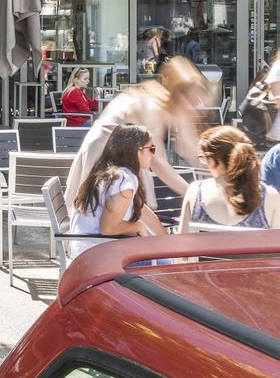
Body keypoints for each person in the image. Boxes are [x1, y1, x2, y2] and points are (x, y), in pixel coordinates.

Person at [65, 57, 209, 209]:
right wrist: (196, 199)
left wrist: (221, 174)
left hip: (120, 167)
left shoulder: (165, 102)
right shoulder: (150, 107)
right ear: (180, 96)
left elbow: (189, 147)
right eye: (194, 100)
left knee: (141, 215)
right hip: (104, 165)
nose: (198, 107)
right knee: (109, 217)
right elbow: (158, 162)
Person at [68, 123, 167, 257]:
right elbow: (108, 228)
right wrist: (137, 227)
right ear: (138, 150)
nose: (153, 154)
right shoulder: (123, 182)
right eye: (151, 148)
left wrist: (167, 242)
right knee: (166, 268)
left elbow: (144, 212)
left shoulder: (107, 172)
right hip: (95, 258)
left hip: (85, 251)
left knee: (164, 260)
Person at [178, 126, 280, 232]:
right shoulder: (270, 196)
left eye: (203, 158)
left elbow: (182, 243)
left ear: (212, 161)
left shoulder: (195, 191)